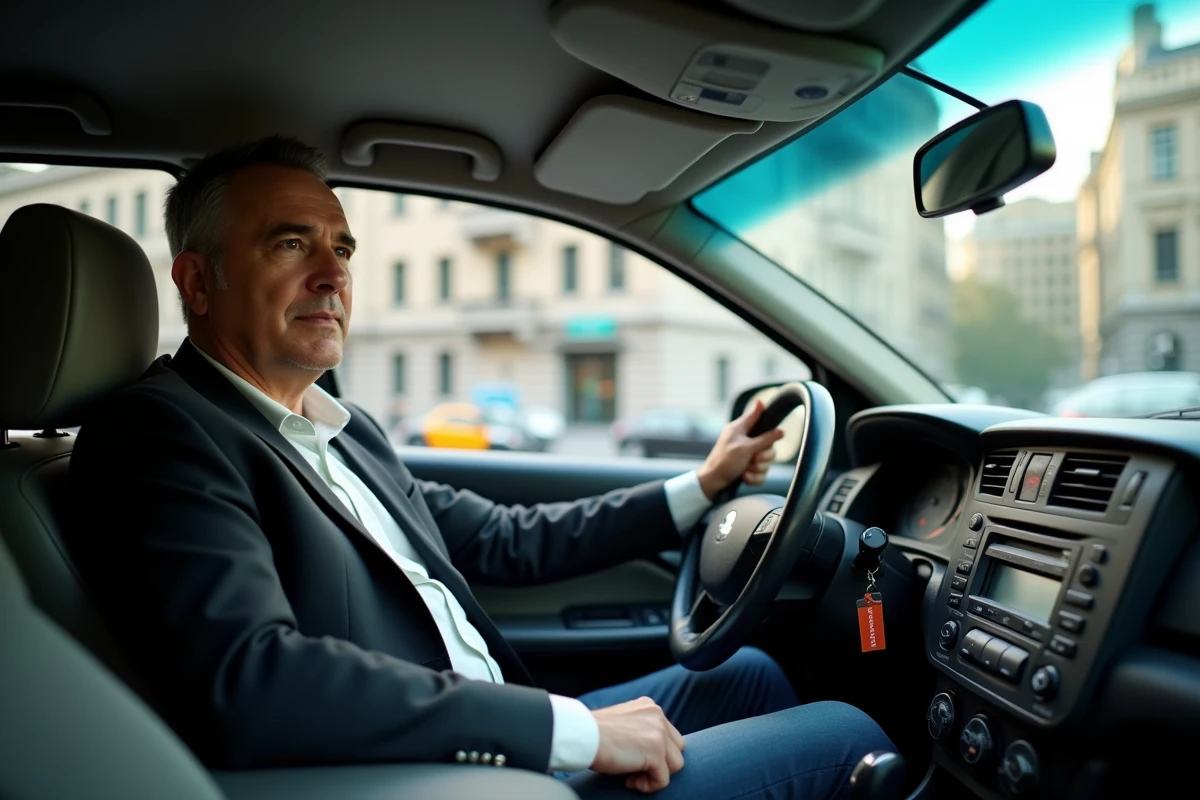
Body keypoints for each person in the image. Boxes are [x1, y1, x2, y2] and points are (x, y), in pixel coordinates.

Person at [69, 136, 893, 799]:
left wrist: (707, 486)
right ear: (197, 281)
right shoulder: (161, 434)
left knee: (745, 674)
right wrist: (572, 734)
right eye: (290, 243)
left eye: (342, 248)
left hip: (495, 742)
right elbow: (253, 678)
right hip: (433, 774)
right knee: (849, 737)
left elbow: (504, 537)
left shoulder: (333, 430)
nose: (333, 275)